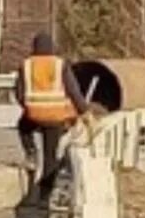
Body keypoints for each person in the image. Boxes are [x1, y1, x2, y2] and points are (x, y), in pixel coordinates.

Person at [14, 32, 94, 198]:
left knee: (23, 127)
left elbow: (19, 92)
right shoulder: (60, 64)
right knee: (50, 155)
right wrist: (84, 112)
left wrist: (28, 106)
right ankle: (45, 193)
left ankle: (31, 153)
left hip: (34, 114)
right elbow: (73, 91)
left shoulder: (26, 65)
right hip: (56, 117)